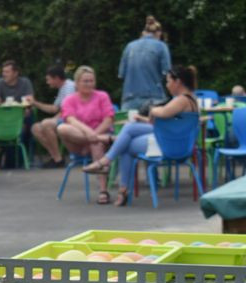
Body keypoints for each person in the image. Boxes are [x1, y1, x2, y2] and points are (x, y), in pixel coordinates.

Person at [83, 65, 198, 207]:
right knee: (130, 129)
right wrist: (146, 117)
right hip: (177, 142)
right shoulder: (191, 99)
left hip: (169, 146)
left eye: (168, 81)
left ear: (178, 82)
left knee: (127, 145)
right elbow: (163, 122)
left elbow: (161, 113)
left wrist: (153, 110)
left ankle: (110, 169)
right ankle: (113, 174)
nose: (167, 85)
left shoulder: (181, 100)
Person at [56, 66, 115, 203]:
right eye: (85, 81)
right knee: (62, 128)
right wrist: (89, 133)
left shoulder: (102, 96)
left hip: (99, 137)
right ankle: (97, 139)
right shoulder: (70, 100)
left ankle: (103, 190)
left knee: (96, 144)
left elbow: (109, 119)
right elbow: (71, 119)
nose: (89, 84)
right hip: (77, 141)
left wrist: (94, 135)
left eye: (91, 81)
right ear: (76, 83)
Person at [118, 16, 172, 112]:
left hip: (129, 98)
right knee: (155, 126)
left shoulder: (129, 46)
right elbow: (167, 74)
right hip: (154, 97)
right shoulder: (161, 46)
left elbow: (122, 74)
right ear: (159, 33)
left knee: (129, 126)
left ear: (143, 33)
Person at [30, 65, 76, 168]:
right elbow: (54, 108)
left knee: (46, 124)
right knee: (35, 128)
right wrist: (35, 103)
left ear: (56, 78)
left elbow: (68, 110)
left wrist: (53, 119)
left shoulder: (69, 87)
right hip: (66, 117)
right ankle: (57, 157)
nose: (47, 82)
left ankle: (57, 160)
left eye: (49, 79)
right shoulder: (62, 88)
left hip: (74, 120)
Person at [0, 60, 35, 165]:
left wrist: (27, 106)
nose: (4, 74)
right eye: (3, 72)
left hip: (22, 115)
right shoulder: (0, 83)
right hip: (4, 117)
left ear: (15, 73)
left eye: (7, 72)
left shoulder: (25, 82)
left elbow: (30, 100)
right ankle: (12, 160)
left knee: (27, 121)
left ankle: (17, 160)